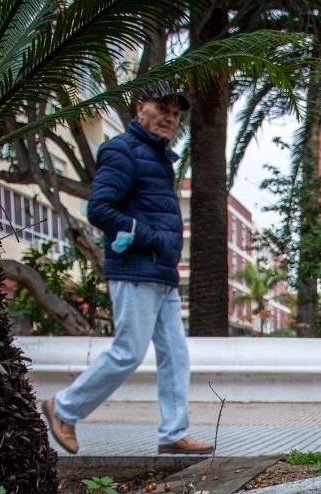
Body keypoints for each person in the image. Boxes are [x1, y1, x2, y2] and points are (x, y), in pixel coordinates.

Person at [41, 92, 213, 456]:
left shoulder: (156, 156)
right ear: (140, 109)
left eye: (175, 114)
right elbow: (100, 209)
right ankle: (65, 407)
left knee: (175, 354)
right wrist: (147, 237)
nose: (169, 118)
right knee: (128, 351)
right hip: (136, 267)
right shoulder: (122, 150)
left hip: (159, 272)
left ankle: (173, 433)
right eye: (161, 110)